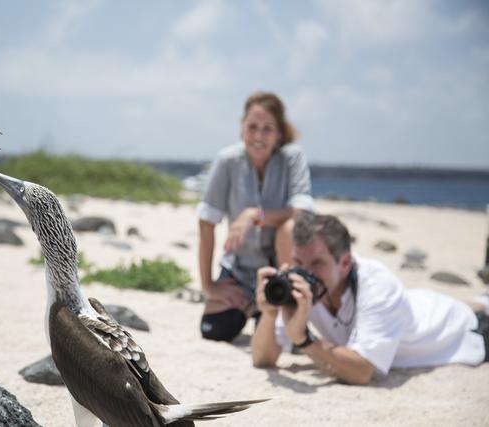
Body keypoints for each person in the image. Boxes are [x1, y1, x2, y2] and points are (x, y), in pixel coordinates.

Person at [251, 212, 489, 385]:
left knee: (475, 309)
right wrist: (270, 314)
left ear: (345, 262)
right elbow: (263, 358)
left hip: (463, 331)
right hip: (416, 307)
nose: (305, 273)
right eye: (299, 263)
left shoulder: (376, 284)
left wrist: (305, 341)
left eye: (317, 263)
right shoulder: (303, 286)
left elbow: (362, 371)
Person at [197, 91, 314, 342]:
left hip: (279, 270)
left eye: (267, 128)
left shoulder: (292, 158)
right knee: (213, 329)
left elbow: (303, 214)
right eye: (252, 127)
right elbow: (206, 223)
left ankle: (285, 302)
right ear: (242, 128)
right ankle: (252, 306)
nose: (259, 136)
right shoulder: (227, 161)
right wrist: (209, 285)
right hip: (239, 270)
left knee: (289, 226)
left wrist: (254, 214)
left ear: (279, 133)